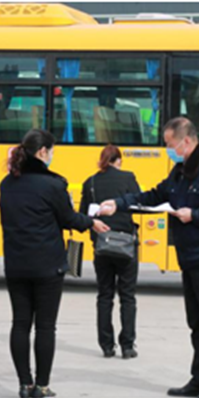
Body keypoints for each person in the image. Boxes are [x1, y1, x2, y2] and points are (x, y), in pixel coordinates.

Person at [99, 117, 199, 398]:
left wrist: (195, 215)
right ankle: (198, 379)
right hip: (190, 257)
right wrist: (118, 203)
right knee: (196, 322)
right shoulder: (181, 171)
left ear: (186, 141)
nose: (168, 149)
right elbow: (155, 195)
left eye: (170, 144)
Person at [0, 129, 110, 398]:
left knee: (20, 323)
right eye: (51, 151)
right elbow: (68, 218)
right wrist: (91, 222)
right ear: (42, 152)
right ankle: (42, 385)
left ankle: (24, 384)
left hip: (16, 264)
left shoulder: (7, 183)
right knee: (45, 326)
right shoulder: (53, 185)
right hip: (47, 265)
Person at [79, 145, 141, 359]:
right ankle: (127, 346)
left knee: (105, 295)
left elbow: (83, 215)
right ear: (118, 160)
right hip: (126, 245)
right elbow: (138, 204)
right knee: (128, 296)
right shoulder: (128, 177)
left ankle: (106, 345)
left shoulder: (90, 182)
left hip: (102, 246)